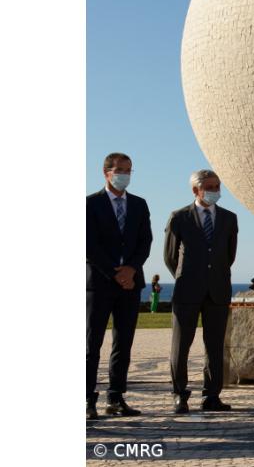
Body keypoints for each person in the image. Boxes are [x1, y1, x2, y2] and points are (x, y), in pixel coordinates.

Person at [164, 169, 238, 413]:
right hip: (187, 291)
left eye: (217, 186)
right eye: (209, 187)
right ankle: (179, 394)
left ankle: (211, 395)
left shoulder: (229, 218)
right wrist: (188, 277)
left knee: (215, 346)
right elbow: (170, 256)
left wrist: (213, 275)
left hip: (217, 290)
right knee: (181, 345)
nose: (215, 191)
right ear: (196, 190)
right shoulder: (179, 217)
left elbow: (229, 255)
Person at [86, 152, 153, 420]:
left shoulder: (139, 204)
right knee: (91, 344)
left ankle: (115, 397)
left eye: (129, 170)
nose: (125, 175)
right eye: (120, 170)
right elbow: (89, 244)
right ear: (107, 173)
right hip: (100, 283)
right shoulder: (90, 204)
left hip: (130, 284)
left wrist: (131, 269)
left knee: (123, 343)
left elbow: (145, 241)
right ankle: (87, 398)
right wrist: (115, 273)